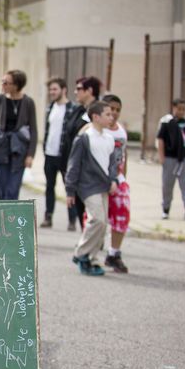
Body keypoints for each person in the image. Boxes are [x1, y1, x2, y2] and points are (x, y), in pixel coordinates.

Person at [65, 101, 120, 276]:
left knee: (103, 225)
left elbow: (113, 163)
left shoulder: (109, 139)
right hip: (88, 186)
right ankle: (80, 253)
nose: (111, 117)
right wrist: (70, 190)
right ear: (96, 117)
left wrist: (113, 180)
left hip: (104, 185)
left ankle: (92, 258)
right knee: (97, 219)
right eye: (107, 114)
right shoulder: (84, 138)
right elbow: (73, 165)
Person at [0, 69, 37, 200]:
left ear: (16, 85)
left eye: (6, 82)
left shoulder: (28, 102)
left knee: (13, 188)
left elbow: (33, 129)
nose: (3, 85)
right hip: (1, 147)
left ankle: (11, 218)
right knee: (3, 186)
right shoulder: (0, 99)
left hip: (19, 149)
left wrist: (30, 154)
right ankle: (1, 217)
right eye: (3, 81)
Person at [61, 75, 102, 230]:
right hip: (75, 166)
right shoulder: (78, 111)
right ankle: (87, 238)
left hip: (91, 169)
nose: (75, 92)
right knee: (79, 207)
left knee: (93, 209)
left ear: (90, 90)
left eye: (79, 88)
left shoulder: (101, 111)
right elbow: (68, 137)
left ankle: (93, 242)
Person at [40, 78, 77, 227]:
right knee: (49, 186)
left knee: (68, 186)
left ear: (64, 89)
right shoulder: (50, 108)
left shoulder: (72, 109)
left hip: (65, 155)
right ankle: (48, 216)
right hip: (50, 153)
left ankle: (72, 219)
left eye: (55, 89)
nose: (52, 92)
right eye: (51, 90)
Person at [102, 94, 130, 273]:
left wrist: (123, 178)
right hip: (99, 180)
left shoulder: (121, 130)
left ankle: (114, 253)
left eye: (118, 110)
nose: (114, 113)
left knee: (122, 216)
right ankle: (89, 251)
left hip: (118, 180)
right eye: (111, 109)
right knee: (97, 219)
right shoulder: (97, 129)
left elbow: (124, 156)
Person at [156, 98, 185, 220]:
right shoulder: (167, 123)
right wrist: (162, 157)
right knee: (167, 184)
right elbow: (161, 139)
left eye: (184, 109)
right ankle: (166, 208)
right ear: (174, 108)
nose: (181, 112)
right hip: (170, 157)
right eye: (179, 109)